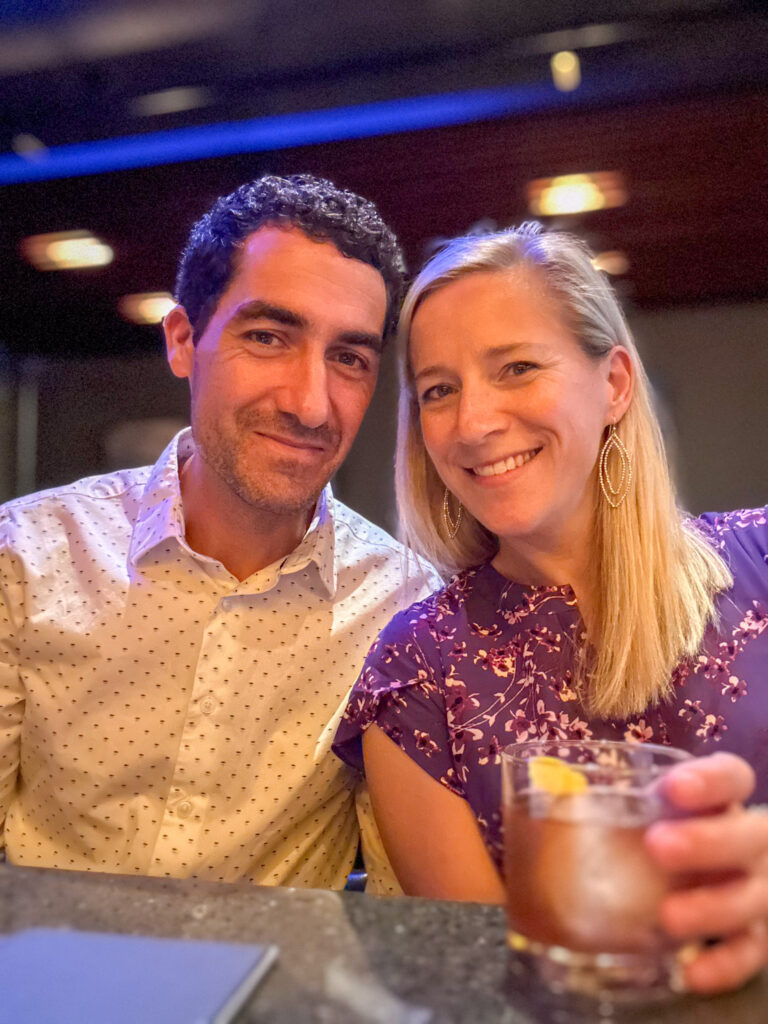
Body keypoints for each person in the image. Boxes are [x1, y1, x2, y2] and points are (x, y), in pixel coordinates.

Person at [334, 223, 768, 992]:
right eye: (439, 390)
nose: (473, 423)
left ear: (615, 384)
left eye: (518, 368)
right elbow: (493, 985)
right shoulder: (418, 669)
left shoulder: (760, 561)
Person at [0, 173, 440, 889]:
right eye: (267, 337)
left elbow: (406, 907)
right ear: (183, 341)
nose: (310, 404)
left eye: (349, 358)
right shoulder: (26, 555)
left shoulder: (403, 608)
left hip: (280, 969)